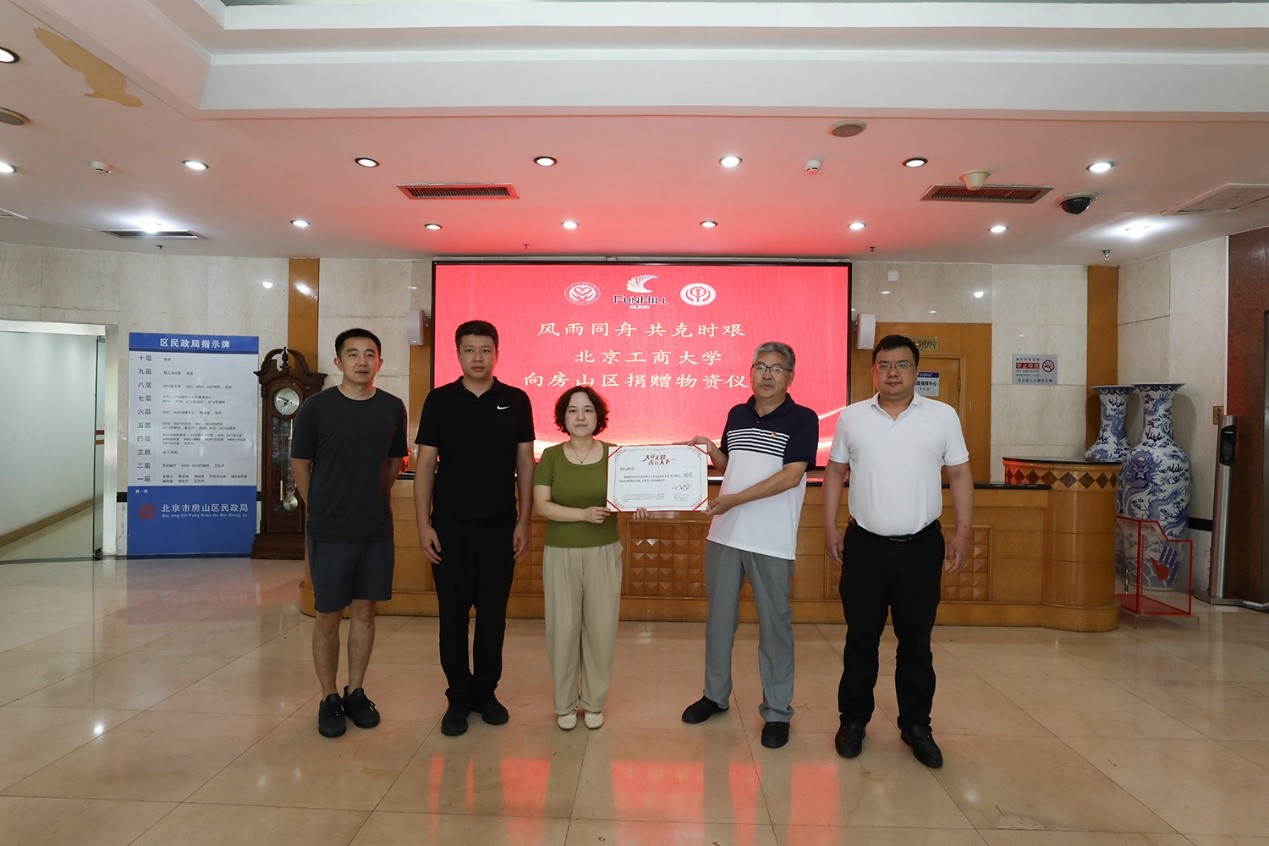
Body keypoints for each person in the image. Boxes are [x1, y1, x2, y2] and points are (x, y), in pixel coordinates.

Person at [822, 334, 974, 769]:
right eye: (884, 365)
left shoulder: (942, 416)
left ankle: (916, 726)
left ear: (916, 371)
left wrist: (963, 531)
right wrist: (828, 525)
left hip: (921, 548)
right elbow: (835, 471)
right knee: (860, 640)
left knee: (916, 643)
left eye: (902, 364)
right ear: (873, 371)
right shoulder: (852, 416)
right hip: (864, 547)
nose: (893, 373)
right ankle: (853, 721)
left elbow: (959, 474)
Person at [680, 341, 818, 750]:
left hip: (770, 540)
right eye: (761, 367)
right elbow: (731, 466)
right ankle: (714, 696)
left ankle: (776, 711)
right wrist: (710, 451)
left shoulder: (803, 419)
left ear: (790, 376)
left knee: (775, 627)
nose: (767, 375)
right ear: (751, 372)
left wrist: (735, 500)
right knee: (719, 622)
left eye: (776, 368)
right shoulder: (736, 414)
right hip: (725, 534)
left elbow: (791, 476)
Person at [414, 320, 535, 737]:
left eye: (485, 350)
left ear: (497, 354)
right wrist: (423, 524)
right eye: (469, 350)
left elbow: (524, 465)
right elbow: (425, 464)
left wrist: (523, 521)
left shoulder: (516, 400)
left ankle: (486, 693)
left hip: (500, 526)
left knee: (493, 617)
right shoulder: (440, 400)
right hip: (449, 527)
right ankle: (458, 696)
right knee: (452, 617)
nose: (478, 357)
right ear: (458, 354)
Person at [291, 328, 409, 738]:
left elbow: (393, 463)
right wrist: (319, 506)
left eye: (370, 354)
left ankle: (355, 691)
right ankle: (328, 696)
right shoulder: (317, 408)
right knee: (327, 614)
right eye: (353, 354)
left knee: (364, 612)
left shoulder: (392, 407)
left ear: (380, 361)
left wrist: (371, 497)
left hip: (375, 528)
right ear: (339, 362)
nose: (362, 361)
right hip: (329, 530)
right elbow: (300, 465)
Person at [532, 386, 630, 731]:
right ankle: (564, 702)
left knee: (601, 628)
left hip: (604, 551)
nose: (580, 416)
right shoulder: (551, 457)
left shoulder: (616, 455)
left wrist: (640, 503)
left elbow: (629, 494)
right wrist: (583, 515)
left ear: (598, 416)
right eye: (572, 410)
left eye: (588, 410)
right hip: (560, 553)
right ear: (563, 417)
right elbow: (542, 505)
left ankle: (593, 702)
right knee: (563, 628)